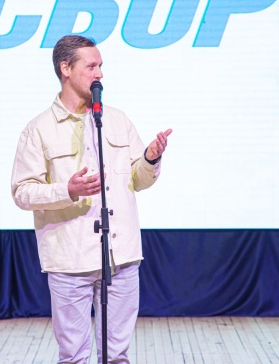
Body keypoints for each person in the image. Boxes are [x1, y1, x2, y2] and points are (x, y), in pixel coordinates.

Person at [11, 35, 172, 363]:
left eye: (101, 66)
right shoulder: (39, 129)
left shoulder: (117, 120)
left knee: (117, 356)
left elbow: (138, 180)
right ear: (65, 68)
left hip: (121, 258)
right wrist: (67, 190)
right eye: (92, 66)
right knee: (73, 357)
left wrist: (150, 159)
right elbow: (22, 192)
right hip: (70, 261)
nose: (100, 74)